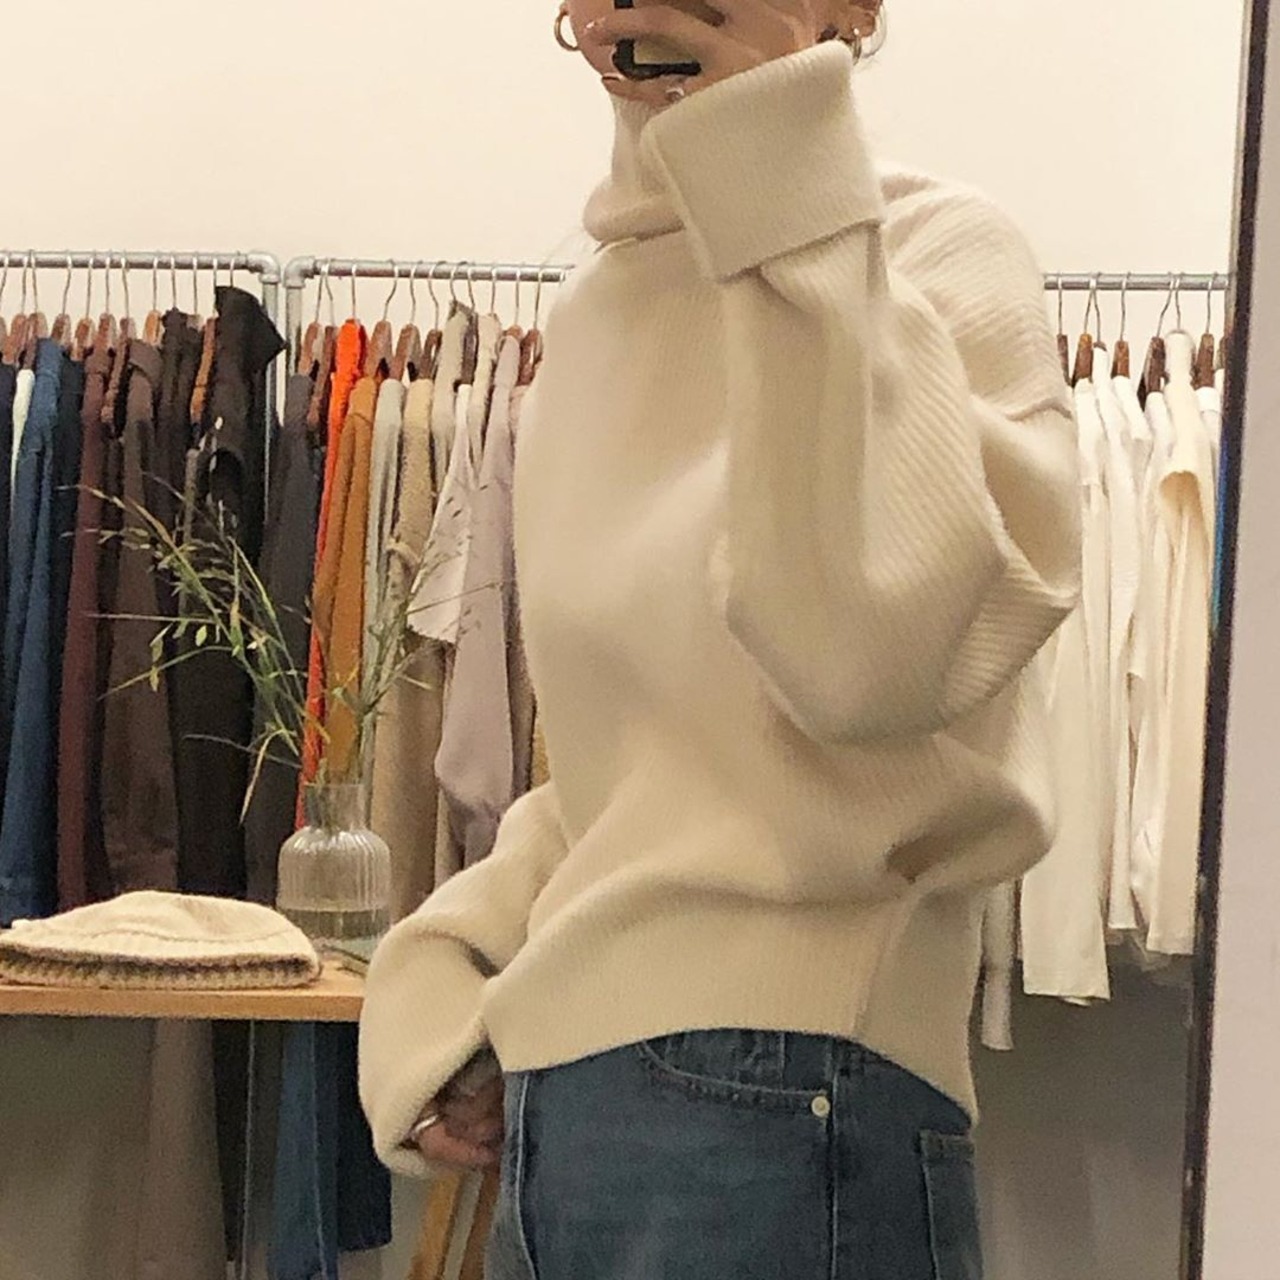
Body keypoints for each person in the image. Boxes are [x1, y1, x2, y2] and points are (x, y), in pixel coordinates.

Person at [360, 1, 1080, 1275]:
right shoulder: (592, 320)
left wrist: (773, 145)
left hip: (795, 1086)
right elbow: (627, 771)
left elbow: (867, 656)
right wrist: (449, 979)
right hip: (569, 1106)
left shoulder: (934, 259)